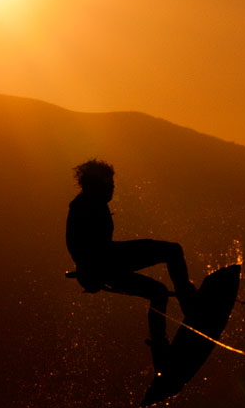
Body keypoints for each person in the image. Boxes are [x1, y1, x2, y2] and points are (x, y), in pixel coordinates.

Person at [66, 159, 196, 370]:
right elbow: (77, 245)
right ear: (96, 184)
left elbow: (78, 248)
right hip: (106, 263)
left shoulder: (91, 203)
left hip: (104, 264)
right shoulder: (86, 206)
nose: (113, 188)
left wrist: (87, 273)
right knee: (173, 251)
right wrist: (87, 273)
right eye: (109, 184)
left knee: (158, 292)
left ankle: (160, 353)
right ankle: (190, 306)